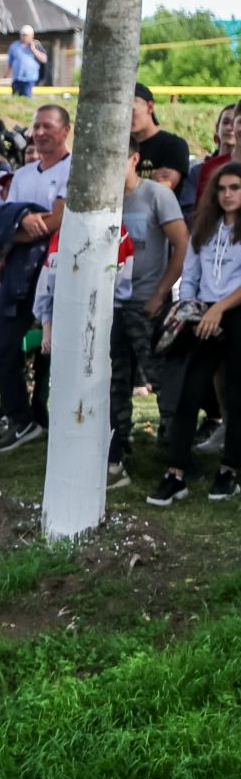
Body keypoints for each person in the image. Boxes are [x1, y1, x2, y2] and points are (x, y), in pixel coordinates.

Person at [147, 166, 241, 506]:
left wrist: (219, 310)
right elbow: (190, 274)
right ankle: (176, 473)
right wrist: (190, 308)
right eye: (222, 188)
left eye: (235, 188)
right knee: (189, 394)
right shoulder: (204, 228)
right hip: (203, 316)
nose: (228, 194)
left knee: (235, 394)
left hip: (235, 313)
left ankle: (229, 470)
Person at [108, 138, 190, 487]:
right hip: (112, 305)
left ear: (134, 159)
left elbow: (182, 244)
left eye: (119, 158)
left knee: (160, 375)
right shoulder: (104, 200)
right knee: (115, 377)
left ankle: (174, 445)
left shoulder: (156, 195)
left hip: (147, 303)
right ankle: (117, 440)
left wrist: (160, 294)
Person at [0, 104, 73, 450]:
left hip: (57, 267)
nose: (40, 133)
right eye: (36, 126)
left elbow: (55, 221)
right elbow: (4, 220)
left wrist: (20, 226)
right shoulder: (23, 174)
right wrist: (21, 224)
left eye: (48, 126)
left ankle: (60, 422)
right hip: (19, 272)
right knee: (0, 345)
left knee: (57, 351)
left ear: (66, 130)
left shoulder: (74, 170)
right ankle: (21, 419)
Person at [132, 82, 190, 199]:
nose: (126, 117)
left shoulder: (173, 145)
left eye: (132, 111)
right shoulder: (117, 147)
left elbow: (160, 192)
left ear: (150, 107)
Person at [8, 26, 48, 97]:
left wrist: (34, 50)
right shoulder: (14, 46)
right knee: (15, 98)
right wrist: (6, 74)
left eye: (26, 35)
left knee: (27, 98)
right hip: (17, 78)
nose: (24, 37)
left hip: (30, 79)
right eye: (23, 35)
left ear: (32, 35)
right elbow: (10, 62)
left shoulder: (36, 44)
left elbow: (44, 59)